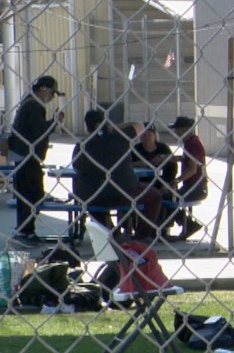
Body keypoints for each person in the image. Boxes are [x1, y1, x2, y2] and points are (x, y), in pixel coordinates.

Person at [73, 109, 163, 240]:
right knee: (155, 196)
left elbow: (77, 168)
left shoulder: (82, 145)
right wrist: (112, 128)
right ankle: (141, 236)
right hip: (125, 191)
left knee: (91, 201)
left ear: (87, 127)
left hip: (96, 194)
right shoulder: (120, 137)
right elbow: (140, 125)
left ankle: (112, 234)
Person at [8, 75, 65, 245]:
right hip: (27, 157)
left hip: (24, 155)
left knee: (29, 195)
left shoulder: (29, 103)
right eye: (52, 93)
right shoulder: (34, 105)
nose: (52, 97)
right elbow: (40, 132)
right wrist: (54, 121)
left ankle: (27, 230)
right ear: (43, 90)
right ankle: (24, 230)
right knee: (33, 194)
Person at [166, 115, 206, 241]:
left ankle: (189, 225)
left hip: (196, 187)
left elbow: (192, 169)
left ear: (184, 130)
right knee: (167, 197)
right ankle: (187, 224)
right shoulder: (188, 143)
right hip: (191, 186)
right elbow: (186, 159)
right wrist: (166, 158)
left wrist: (177, 180)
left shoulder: (193, 144)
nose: (175, 132)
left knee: (166, 199)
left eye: (177, 129)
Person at [132, 123, 177, 193]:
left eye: (149, 134)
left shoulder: (163, 148)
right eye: (144, 134)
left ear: (155, 135)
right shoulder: (135, 149)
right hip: (141, 182)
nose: (147, 137)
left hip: (162, 182)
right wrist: (136, 164)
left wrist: (166, 184)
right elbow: (126, 164)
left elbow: (173, 167)